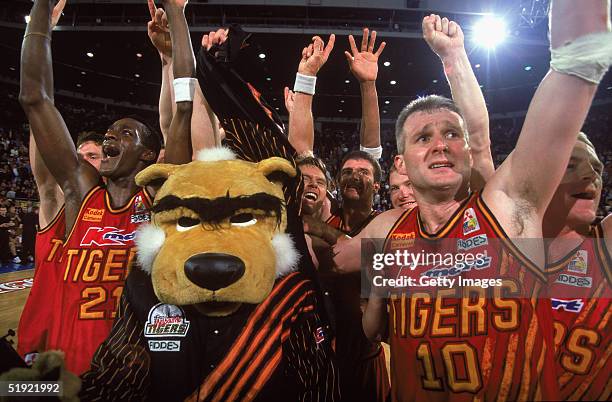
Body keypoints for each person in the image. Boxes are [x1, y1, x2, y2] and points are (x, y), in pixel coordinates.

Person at [321, 5, 610, 400]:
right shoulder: (389, 230)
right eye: (424, 137)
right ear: (402, 160)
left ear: (468, 150)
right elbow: (326, 260)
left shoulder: (508, 211)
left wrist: (454, 58)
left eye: (451, 134)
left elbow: (576, 64)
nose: (441, 144)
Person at [18, 0, 192, 375]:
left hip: (135, 376)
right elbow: (35, 98)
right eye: (109, 133)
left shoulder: (159, 196)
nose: (110, 138)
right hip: (69, 378)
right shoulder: (81, 194)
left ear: (148, 154)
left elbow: (184, 108)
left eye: (123, 134)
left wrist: (177, 14)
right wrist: (41, 20)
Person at [543, 133, 611, 401]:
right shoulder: (504, 242)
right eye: (570, 164)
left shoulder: (605, 240)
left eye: (597, 168)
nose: (590, 174)